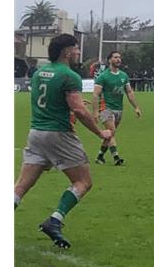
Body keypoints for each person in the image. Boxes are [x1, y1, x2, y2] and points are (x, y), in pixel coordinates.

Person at [13, 34, 115, 249]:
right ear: (67, 51)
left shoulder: (40, 72)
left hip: (36, 132)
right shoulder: (69, 76)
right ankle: (55, 220)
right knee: (83, 182)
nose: (78, 52)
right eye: (76, 49)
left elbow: (54, 100)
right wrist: (100, 133)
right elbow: (78, 109)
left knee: (21, 186)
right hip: (58, 134)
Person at [92, 51, 142, 166]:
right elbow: (95, 95)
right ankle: (116, 157)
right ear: (109, 60)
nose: (118, 59)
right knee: (111, 132)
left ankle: (100, 156)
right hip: (106, 108)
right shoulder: (103, 76)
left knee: (109, 135)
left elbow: (129, 92)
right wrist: (95, 112)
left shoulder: (123, 76)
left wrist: (136, 107)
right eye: (115, 57)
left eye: (119, 57)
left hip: (119, 109)